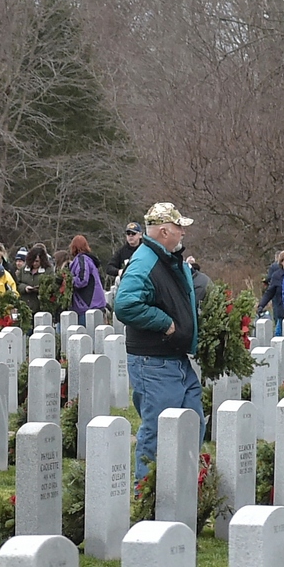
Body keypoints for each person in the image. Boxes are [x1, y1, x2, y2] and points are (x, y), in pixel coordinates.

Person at [114, 202, 203, 481]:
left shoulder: (165, 258)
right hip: (153, 362)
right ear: (164, 231)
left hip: (174, 358)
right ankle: (149, 497)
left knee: (194, 422)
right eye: (179, 227)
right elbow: (125, 304)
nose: (183, 233)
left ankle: (182, 488)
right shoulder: (145, 261)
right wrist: (166, 324)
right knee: (157, 431)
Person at [68, 234, 107, 324]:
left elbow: (82, 280)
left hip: (87, 305)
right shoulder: (89, 260)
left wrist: (67, 281)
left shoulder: (82, 260)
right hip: (96, 304)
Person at [258, 249, 284, 335]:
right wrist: (261, 305)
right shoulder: (276, 276)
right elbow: (270, 292)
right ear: (282, 262)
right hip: (282, 311)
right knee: (279, 335)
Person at [15, 243, 51, 316]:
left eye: (37, 261)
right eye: (33, 261)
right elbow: (17, 283)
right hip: (25, 306)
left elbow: (52, 285)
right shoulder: (23, 270)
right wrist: (25, 288)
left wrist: (41, 289)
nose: (34, 263)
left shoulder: (48, 270)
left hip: (41, 307)